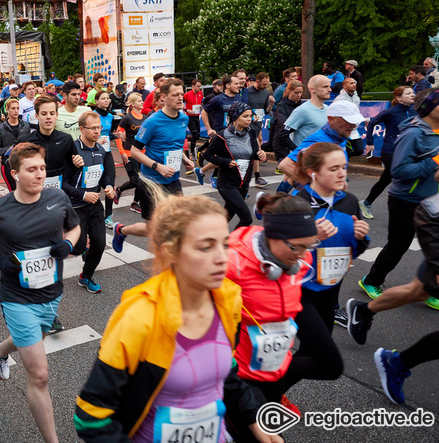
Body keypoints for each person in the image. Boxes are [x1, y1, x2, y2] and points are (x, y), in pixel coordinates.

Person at [76, 195, 277, 443]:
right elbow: (90, 419)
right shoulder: (139, 316)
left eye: (224, 244)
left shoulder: (229, 299)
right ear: (171, 251)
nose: (222, 258)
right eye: (205, 247)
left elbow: (228, 374)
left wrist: (255, 422)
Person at [0, 143, 81, 443]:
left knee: (31, 339)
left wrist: (69, 244)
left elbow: (74, 229)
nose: (39, 175)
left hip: (52, 293)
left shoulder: (57, 197)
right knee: (39, 375)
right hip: (17, 298)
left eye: (42, 168)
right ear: (15, 174)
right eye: (31, 169)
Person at [225, 193, 342, 441]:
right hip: (243, 379)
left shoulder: (296, 257)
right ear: (271, 235)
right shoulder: (232, 264)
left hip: (275, 368)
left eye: (307, 246)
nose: (302, 255)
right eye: (295, 246)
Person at [347, 165, 439, 404]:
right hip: (415, 208)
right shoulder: (416, 131)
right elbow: (408, 172)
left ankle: (363, 310)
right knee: (403, 259)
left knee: (418, 291)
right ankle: (397, 363)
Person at [356, 89, 439, 306]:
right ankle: (371, 280)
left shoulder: (438, 131)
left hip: (432, 198)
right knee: (398, 245)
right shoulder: (413, 133)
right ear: (429, 108)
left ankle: (432, 288)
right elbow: (399, 171)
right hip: (406, 199)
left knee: (436, 247)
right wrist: (434, 163)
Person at [293, 142, 370, 330]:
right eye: (333, 169)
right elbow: (279, 254)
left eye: (344, 167)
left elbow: (353, 251)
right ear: (313, 172)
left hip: (331, 290)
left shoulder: (350, 201)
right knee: (324, 354)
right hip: (300, 291)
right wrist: (311, 238)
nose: (342, 174)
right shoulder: (296, 204)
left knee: (318, 348)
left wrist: (361, 238)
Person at [113, 80, 194, 251]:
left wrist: (185, 160)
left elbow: (175, 145)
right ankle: (121, 230)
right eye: (175, 95)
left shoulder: (183, 118)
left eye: (182, 94)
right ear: (164, 97)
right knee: (153, 230)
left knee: (181, 223)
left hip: (172, 179)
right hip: (151, 181)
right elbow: (135, 152)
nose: (181, 98)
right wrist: (158, 166)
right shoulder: (152, 122)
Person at [65, 111, 116, 294]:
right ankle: (79, 248)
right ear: (81, 129)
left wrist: (108, 186)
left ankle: (86, 276)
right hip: (75, 206)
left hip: (94, 205)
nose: (97, 131)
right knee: (78, 248)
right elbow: (63, 183)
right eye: (92, 128)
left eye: (99, 127)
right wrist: (82, 195)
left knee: (99, 243)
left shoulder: (100, 150)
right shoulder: (72, 151)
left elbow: (103, 175)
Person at [204, 103, 267, 229]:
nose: (249, 119)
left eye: (250, 116)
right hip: (227, 184)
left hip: (243, 184)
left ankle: (209, 235)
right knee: (246, 218)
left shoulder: (251, 133)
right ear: (235, 117)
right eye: (245, 116)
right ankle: (233, 243)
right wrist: (226, 162)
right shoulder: (222, 136)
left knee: (226, 216)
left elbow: (252, 154)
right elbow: (208, 155)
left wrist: (260, 154)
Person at [360, 86, 415, 219]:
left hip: (406, 151)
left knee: (385, 180)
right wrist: (370, 142)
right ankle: (403, 213)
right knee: (403, 177)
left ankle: (366, 203)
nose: (413, 95)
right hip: (390, 151)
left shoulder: (415, 111)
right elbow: (372, 123)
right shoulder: (391, 112)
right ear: (398, 97)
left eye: (413, 92)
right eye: (408, 93)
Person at [277, 100, 363, 184]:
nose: (353, 125)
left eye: (355, 121)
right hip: (314, 197)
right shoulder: (319, 140)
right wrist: (315, 191)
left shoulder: (340, 136)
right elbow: (285, 165)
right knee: (287, 185)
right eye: (348, 121)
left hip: (331, 196)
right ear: (331, 119)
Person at [113, 93, 148, 213]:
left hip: (142, 153)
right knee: (135, 181)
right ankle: (118, 189)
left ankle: (134, 203)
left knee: (142, 180)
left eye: (142, 100)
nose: (142, 102)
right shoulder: (127, 118)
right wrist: (122, 152)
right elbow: (118, 136)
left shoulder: (145, 117)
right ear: (132, 104)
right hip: (129, 153)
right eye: (139, 101)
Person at [282, 75, 332, 149]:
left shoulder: (328, 109)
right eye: (325, 87)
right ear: (313, 89)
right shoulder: (302, 110)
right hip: (306, 159)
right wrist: (299, 152)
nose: (330, 90)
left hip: (323, 158)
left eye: (329, 86)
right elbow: (282, 135)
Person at [246, 73, 274, 187]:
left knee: (255, 149)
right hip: (247, 125)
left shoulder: (266, 93)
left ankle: (256, 177)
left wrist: (271, 103)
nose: (266, 87)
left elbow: (266, 111)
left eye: (267, 85)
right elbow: (243, 107)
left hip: (258, 125)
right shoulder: (247, 92)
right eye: (264, 84)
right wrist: (251, 115)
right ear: (257, 82)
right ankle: (257, 177)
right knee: (255, 148)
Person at [93, 90, 117, 227]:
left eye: (107, 98)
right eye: (103, 98)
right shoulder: (92, 115)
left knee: (110, 184)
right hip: (94, 152)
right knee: (94, 184)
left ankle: (108, 217)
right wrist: (97, 141)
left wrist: (116, 136)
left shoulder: (110, 116)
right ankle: (93, 213)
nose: (106, 100)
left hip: (107, 152)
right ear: (97, 101)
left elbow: (109, 135)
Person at [270, 80, 303, 165]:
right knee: (290, 172)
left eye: (300, 92)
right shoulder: (281, 106)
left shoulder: (301, 105)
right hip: (282, 143)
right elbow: (284, 124)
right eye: (296, 93)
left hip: (296, 141)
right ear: (289, 91)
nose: (299, 95)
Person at [333, 76, 365, 157]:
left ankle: (345, 158)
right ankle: (344, 163)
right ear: (344, 86)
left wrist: (364, 120)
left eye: (354, 83)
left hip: (353, 129)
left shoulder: (356, 98)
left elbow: (356, 112)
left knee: (359, 150)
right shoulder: (339, 99)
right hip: (343, 130)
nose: (354, 85)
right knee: (346, 151)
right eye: (351, 83)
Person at [0, 98, 30, 164]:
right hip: (8, 163)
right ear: (7, 110)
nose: (16, 111)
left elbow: (29, 144)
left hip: (23, 162)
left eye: (17, 108)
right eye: (13, 108)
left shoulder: (25, 126)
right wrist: (12, 149)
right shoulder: (1, 128)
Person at [183, 79, 204, 159]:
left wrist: (201, 107)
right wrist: (187, 110)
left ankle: (189, 141)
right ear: (193, 86)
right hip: (189, 116)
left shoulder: (200, 93)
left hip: (197, 115)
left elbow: (201, 102)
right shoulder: (187, 94)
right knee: (195, 134)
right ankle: (192, 153)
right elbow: (180, 103)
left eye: (200, 86)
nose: (199, 88)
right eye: (198, 86)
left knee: (198, 135)